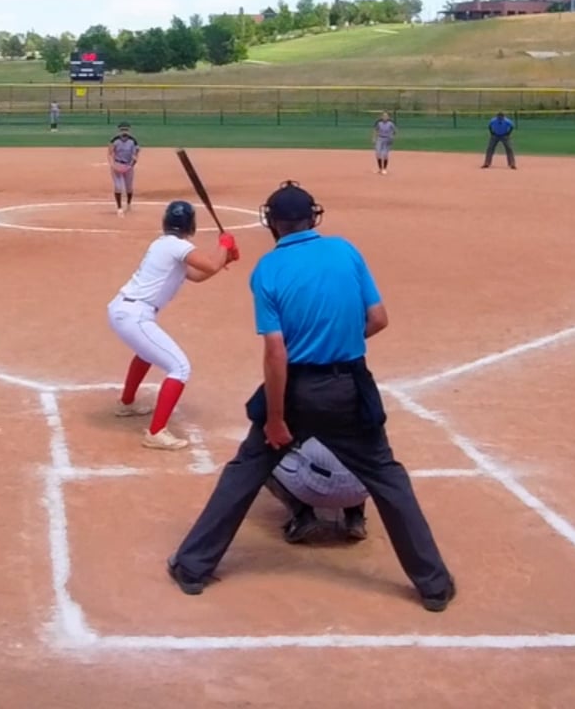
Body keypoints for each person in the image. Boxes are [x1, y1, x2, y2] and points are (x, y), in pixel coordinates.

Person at [165, 181, 456, 611]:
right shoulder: (345, 251)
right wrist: (339, 340)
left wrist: (275, 418)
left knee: (245, 472)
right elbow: (378, 319)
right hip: (350, 387)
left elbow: (276, 353)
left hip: (297, 389)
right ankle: (434, 586)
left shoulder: (268, 269)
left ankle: (192, 567)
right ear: (312, 218)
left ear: (273, 223)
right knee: (388, 479)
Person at [109, 201, 239, 450]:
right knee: (180, 367)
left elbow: (197, 275)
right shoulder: (179, 247)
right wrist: (224, 245)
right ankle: (156, 433)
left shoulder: (163, 245)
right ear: (191, 225)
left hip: (124, 310)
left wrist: (226, 257)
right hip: (135, 314)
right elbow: (210, 264)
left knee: (147, 353)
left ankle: (126, 403)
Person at [264, 437, 371, 543]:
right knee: (363, 454)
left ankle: (302, 517)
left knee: (263, 455)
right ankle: (355, 518)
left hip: (315, 486)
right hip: (361, 486)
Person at [108, 122, 140, 214]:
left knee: (129, 187)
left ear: (129, 130)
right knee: (118, 187)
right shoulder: (114, 141)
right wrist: (112, 164)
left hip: (128, 166)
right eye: (122, 130)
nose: (124, 132)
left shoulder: (133, 141)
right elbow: (110, 153)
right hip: (117, 164)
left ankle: (128, 204)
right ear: (119, 131)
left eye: (126, 130)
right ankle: (119, 207)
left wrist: (132, 164)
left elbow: (136, 154)